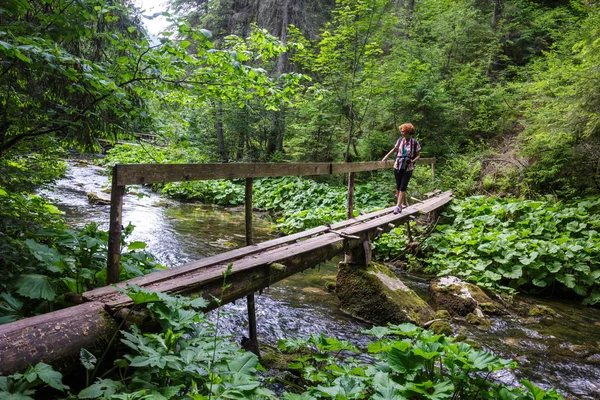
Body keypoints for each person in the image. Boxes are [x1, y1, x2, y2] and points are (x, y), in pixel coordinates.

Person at [382, 123, 421, 214]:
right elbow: (394, 149)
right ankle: (399, 204)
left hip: (408, 167)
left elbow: (418, 156)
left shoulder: (414, 143)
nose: (401, 133)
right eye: (401, 131)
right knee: (398, 186)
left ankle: (398, 206)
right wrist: (386, 156)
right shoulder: (400, 141)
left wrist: (412, 161)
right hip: (398, 165)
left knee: (403, 186)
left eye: (403, 131)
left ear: (408, 132)